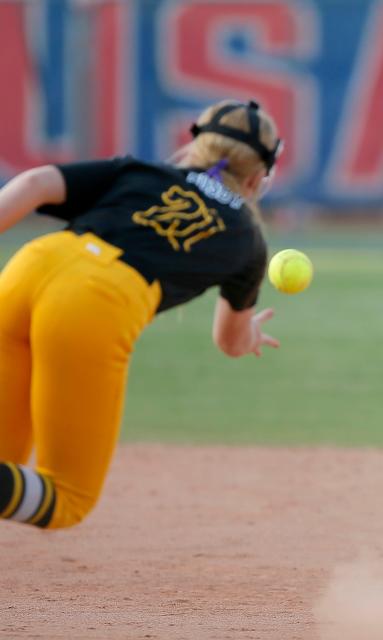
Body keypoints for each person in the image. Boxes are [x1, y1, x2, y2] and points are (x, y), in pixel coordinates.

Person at [0, 99, 282, 529]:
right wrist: (252, 337)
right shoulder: (247, 237)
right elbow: (230, 340)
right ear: (259, 176)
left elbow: (37, 182)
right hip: (92, 302)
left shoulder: (145, 172)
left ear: (196, 147)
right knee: (67, 498)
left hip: (28, 269)